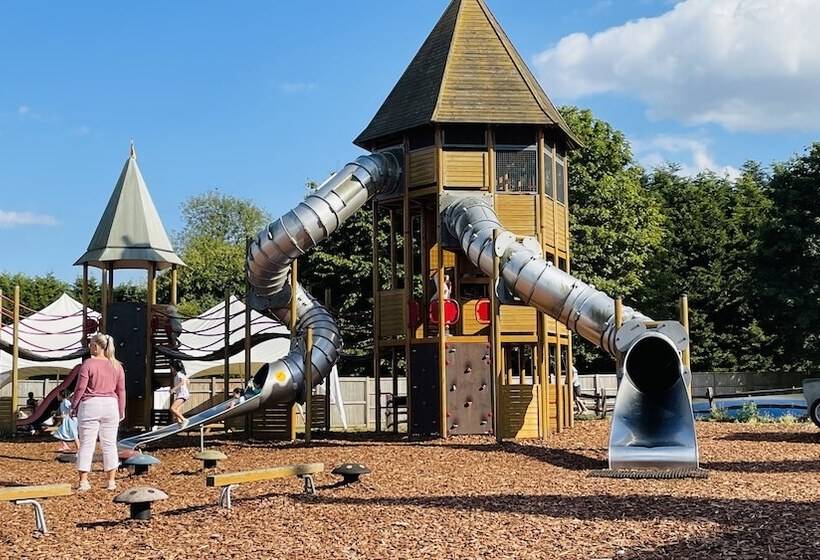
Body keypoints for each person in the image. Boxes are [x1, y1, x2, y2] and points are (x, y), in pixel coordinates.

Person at [70, 333, 125, 492]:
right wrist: (121, 409)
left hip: (90, 404)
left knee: (87, 444)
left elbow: (80, 388)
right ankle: (111, 481)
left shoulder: (88, 364)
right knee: (110, 444)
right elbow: (121, 390)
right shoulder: (117, 366)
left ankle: (84, 481)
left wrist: (74, 406)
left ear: (95, 346)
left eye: (90, 344)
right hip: (111, 405)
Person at [169, 360, 190, 426]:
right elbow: (187, 381)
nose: (171, 369)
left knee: (172, 408)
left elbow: (182, 382)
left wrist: (173, 389)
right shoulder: (179, 374)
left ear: (174, 368)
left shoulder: (179, 374)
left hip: (182, 394)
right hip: (183, 394)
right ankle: (180, 423)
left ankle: (184, 420)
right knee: (176, 410)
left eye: (171, 367)